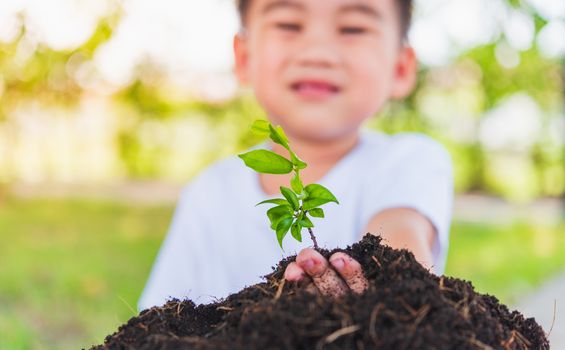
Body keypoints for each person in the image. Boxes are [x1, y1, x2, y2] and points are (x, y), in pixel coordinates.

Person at [138, 0, 453, 310]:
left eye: (353, 28)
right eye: (289, 24)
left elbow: (401, 251)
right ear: (244, 57)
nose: (317, 52)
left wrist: (382, 292)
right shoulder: (210, 192)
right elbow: (160, 318)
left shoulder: (408, 161)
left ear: (400, 67)